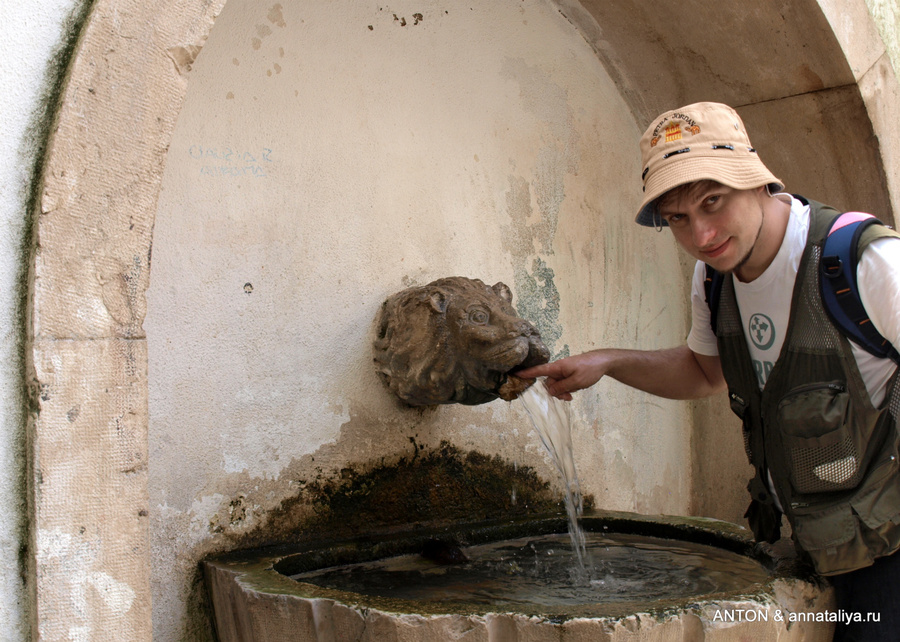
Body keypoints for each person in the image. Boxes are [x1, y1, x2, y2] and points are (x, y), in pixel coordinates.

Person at [516, 102, 900, 641]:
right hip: (819, 540)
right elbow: (704, 372)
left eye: (712, 202)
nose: (701, 235)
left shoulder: (865, 264)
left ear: (756, 180)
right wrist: (607, 362)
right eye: (678, 218)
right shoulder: (713, 279)